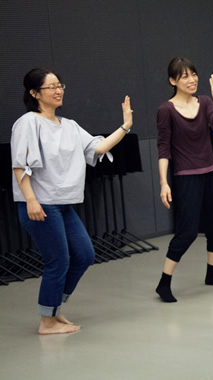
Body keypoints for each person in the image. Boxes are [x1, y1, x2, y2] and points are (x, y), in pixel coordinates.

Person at [11, 68, 133, 334]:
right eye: (51, 87)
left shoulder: (70, 126)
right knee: (59, 261)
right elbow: (19, 166)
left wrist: (125, 126)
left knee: (85, 255)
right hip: (40, 204)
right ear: (34, 93)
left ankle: (53, 309)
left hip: (63, 204)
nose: (58, 90)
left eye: (60, 85)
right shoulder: (27, 123)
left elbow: (97, 148)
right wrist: (30, 200)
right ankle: (47, 321)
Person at [155, 57, 213, 303]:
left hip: (211, 171)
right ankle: (164, 283)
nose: (192, 79)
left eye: (194, 74)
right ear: (172, 81)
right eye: (185, 76)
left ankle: (212, 274)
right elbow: (163, 148)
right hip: (186, 177)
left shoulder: (206, 101)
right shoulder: (166, 110)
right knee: (187, 232)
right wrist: (164, 183)